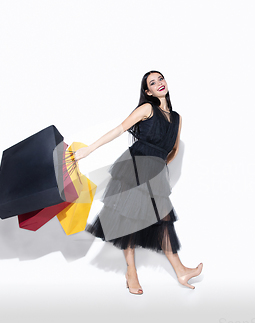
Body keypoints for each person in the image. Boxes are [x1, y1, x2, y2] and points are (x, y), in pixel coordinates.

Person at [74, 71, 203, 295]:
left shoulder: (177, 118)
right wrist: (89, 149)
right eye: (153, 83)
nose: (159, 84)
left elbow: (173, 150)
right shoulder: (147, 109)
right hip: (134, 168)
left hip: (155, 174)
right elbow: (118, 129)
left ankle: (181, 270)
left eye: (161, 79)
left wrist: (160, 165)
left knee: (163, 220)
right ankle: (131, 272)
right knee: (129, 221)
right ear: (148, 91)